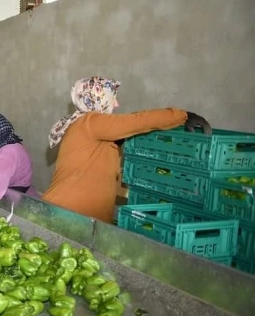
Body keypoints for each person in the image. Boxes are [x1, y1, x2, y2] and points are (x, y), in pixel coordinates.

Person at [42, 76, 211, 223]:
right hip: (68, 214)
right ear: (96, 98)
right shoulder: (91, 122)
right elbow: (137, 121)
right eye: (112, 97)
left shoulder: (85, 124)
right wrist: (183, 116)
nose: (116, 104)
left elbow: (129, 125)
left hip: (74, 214)